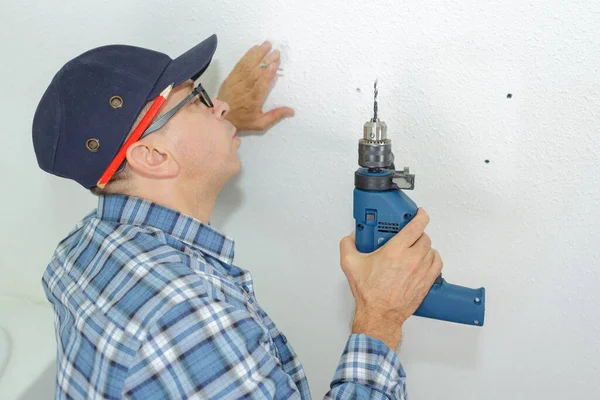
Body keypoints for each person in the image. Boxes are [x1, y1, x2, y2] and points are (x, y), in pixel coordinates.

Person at [32, 34, 443, 399]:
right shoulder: (185, 316)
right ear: (154, 156)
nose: (222, 105)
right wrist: (379, 319)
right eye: (198, 100)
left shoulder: (81, 251)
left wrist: (213, 132)